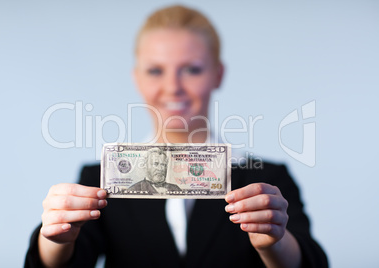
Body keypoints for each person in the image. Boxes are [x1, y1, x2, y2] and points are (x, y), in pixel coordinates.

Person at [25, 4, 328, 268]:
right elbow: (67, 261)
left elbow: (311, 262)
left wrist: (274, 242)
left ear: (218, 75)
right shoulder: (100, 178)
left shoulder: (265, 181)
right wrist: (54, 238)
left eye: (192, 70)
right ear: (137, 78)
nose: (173, 87)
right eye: (156, 70)